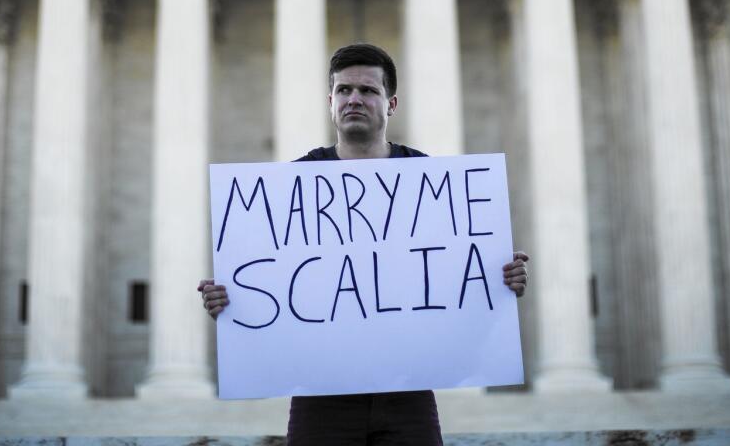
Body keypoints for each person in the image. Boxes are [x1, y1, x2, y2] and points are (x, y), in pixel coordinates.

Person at [198, 42, 529, 445]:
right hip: (321, 397)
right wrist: (232, 305)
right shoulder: (293, 185)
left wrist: (500, 281)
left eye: (368, 91)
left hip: (408, 392)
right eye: (344, 90)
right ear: (330, 101)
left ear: (391, 104)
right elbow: (268, 292)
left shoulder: (429, 180)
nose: (354, 99)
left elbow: (457, 284)